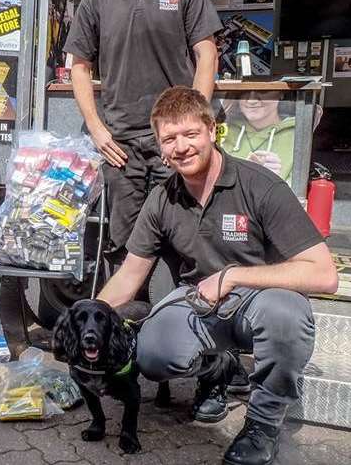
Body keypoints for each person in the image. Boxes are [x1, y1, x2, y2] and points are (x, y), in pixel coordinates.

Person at [98, 87, 337, 465]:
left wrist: (234, 276)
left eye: (190, 134)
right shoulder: (162, 198)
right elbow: (130, 274)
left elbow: (325, 275)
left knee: (287, 316)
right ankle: (216, 370)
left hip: (261, 299)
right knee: (150, 353)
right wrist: (85, 317)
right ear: (160, 146)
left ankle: (261, 425)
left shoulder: (260, 185)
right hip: (198, 301)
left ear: (212, 130)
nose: (181, 147)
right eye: (169, 139)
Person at [63, 0, 221, 277]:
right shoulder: (95, 0)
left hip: (173, 143)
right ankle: (126, 327)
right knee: (122, 244)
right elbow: (78, 67)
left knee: (184, 241)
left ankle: (177, 325)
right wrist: (98, 130)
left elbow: (207, 54)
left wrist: (190, 126)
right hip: (122, 147)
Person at [219, 91, 295, 185]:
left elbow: (298, 194)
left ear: (280, 93)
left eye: (261, 90)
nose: (251, 100)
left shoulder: (298, 135)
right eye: (244, 90)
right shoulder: (224, 131)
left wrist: (274, 181)